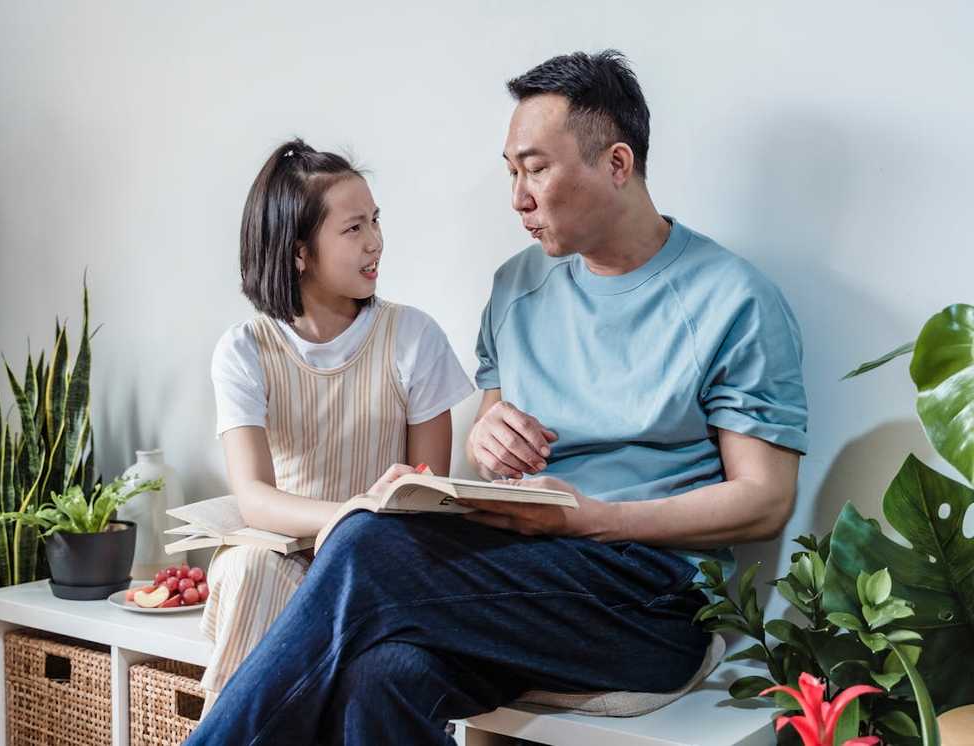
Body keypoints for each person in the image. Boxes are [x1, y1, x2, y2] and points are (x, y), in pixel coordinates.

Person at [187, 50, 807, 746]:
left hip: (653, 600)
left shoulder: (734, 298)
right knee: (384, 674)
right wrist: (486, 436)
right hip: (521, 573)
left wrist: (596, 518)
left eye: (535, 169)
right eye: (512, 171)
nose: (517, 196)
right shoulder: (516, 288)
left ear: (617, 165)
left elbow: (766, 499)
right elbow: (496, 426)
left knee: (365, 542)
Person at [198, 138, 474, 713]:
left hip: (377, 558)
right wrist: (349, 515)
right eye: (353, 229)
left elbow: (428, 495)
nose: (376, 241)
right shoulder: (245, 349)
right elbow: (253, 497)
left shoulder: (413, 336)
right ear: (300, 252)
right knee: (251, 570)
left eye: (375, 221)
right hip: (283, 552)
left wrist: (362, 532)